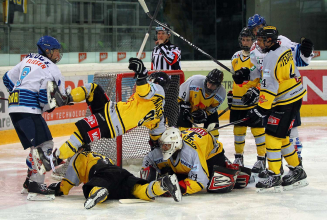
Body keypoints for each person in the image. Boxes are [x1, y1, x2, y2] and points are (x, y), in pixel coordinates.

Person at [37, 58, 170, 167]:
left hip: (112, 121)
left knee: (80, 136)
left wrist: (142, 74)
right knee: (93, 90)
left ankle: (52, 160)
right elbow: (156, 138)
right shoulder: (160, 118)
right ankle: (64, 99)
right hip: (111, 110)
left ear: (155, 81)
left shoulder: (157, 89)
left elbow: (143, 91)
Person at [233, 26, 308, 192]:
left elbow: (269, 88)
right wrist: (246, 73)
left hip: (285, 101)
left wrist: (260, 109)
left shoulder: (271, 57)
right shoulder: (282, 49)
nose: (257, 42)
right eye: (257, 39)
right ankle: (297, 170)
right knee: (282, 138)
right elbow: (262, 71)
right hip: (292, 97)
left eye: (260, 39)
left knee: (272, 137)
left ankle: (274, 175)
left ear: (270, 40)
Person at [247, 14, 313, 176]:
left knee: (285, 132)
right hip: (273, 98)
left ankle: (294, 163)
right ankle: (278, 165)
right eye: (254, 30)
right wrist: (246, 75)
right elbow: (257, 72)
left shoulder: (281, 41)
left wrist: (306, 52)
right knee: (274, 133)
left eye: (258, 28)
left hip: (283, 96)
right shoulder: (256, 48)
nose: (256, 32)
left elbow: (301, 59)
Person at [2, 35, 64, 200]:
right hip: (28, 109)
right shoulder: (52, 68)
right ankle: (36, 184)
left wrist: (17, 93)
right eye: (57, 51)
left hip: (14, 107)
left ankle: (29, 183)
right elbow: (48, 97)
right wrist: (53, 105)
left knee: (36, 147)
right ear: (48, 51)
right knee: (46, 145)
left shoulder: (27, 59)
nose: (58, 55)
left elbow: (7, 79)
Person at [47, 150, 182, 209]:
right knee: (138, 190)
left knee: (90, 187)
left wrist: (56, 188)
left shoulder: (78, 158)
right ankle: (163, 184)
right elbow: (113, 175)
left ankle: (99, 192)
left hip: (102, 174)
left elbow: (66, 187)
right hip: (121, 173)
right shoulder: (100, 155)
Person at [141, 127, 252, 196]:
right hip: (194, 140)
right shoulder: (164, 149)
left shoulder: (191, 153)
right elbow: (148, 159)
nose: (163, 149)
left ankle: (234, 170)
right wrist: (145, 180)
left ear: (175, 145)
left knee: (213, 184)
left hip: (212, 154)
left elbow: (201, 181)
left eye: (166, 146)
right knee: (173, 173)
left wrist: (179, 188)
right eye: (162, 145)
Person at [229, 27, 266, 174]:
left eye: (248, 39)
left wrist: (256, 91)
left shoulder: (258, 55)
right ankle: (238, 157)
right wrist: (231, 94)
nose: (245, 42)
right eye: (243, 39)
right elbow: (234, 78)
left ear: (253, 41)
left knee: (258, 131)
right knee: (238, 131)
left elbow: (262, 77)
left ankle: (261, 159)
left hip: (254, 99)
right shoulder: (235, 56)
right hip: (238, 101)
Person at [177, 69, 225, 139]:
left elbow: (213, 108)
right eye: (209, 82)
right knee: (184, 129)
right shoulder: (193, 82)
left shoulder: (221, 93)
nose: (209, 86)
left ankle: (213, 144)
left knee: (213, 124)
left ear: (218, 85)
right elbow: (180, 99)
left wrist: (206, 113)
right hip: (188, 106)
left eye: (213, 85)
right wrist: (184, 109)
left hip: (205, 109)